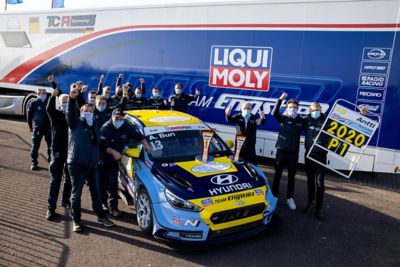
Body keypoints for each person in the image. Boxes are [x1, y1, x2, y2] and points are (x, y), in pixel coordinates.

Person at [66, 87, 114, 232]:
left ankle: (101, 216)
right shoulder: (75, 124)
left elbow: (97, 144)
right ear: (80, 112)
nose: (88, 113)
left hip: (92, 165)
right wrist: (72, 99)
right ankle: (76, 221)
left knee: (96, 192)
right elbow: (69, 114)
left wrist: (97, 159)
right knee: (77, 194)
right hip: (77, 164)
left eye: (91, 112)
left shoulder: (96, 126)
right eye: (85, 111)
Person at [100, 108, 152, 217]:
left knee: (113, 184)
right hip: (102, 159)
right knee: (102, 183)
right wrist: (113, 152)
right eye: (116, 118)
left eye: (121, 118)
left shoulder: (126, 126)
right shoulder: (106, 128)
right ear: (112, 117)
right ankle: (102, 204)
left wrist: (147, 146)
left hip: (115, 160)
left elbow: (139, 136)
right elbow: (102, 145)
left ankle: (113, 209)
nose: (119, 120)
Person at [271, 92, 304, 210]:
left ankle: (290, 198)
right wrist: (280, 99)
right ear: (287, 108)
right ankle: (274, 197)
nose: (292, 109)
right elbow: (274, 112)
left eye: (295, 107)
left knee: (291, 177)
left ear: (298, 108)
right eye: (290, 107)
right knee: (277, 176)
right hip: (281, 152)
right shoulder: (282, 118)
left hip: (293, 154)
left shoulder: (301, 120)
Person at [45, 78, 72, 220]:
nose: (66, 103)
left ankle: (65, 200)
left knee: (69, 179)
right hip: (57, 153)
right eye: (63, 102)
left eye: (68, 101)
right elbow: (49, 108)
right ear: (59, 103)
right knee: (55, 180)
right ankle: (51, 208)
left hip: (70, 153)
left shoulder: (72, 116)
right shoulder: (55, 116)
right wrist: (53, 95)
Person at [302, 102, 327, 219]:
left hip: (321, 155)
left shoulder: (327, 120)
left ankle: (318, 209)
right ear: (310, 110)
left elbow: (344, 124)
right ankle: (310, 203)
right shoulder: (306, 119)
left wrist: (359, 114)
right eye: (313, 109)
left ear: (321, 110)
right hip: (308, 153)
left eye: (317, 109)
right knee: (310, 180)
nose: (315, 111)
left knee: (320, 183)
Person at [27, 88, 51, 170]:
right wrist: (30, 125)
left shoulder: (49, 101)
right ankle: (34, 162)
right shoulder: (33, 103)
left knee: (50, 146)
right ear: (37, 93)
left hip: (48, 127)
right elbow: (29, 115)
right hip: (38, 128)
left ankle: (51, 162)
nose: (41, 94)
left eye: (43, 92)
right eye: (39, 92)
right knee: (35, 145)